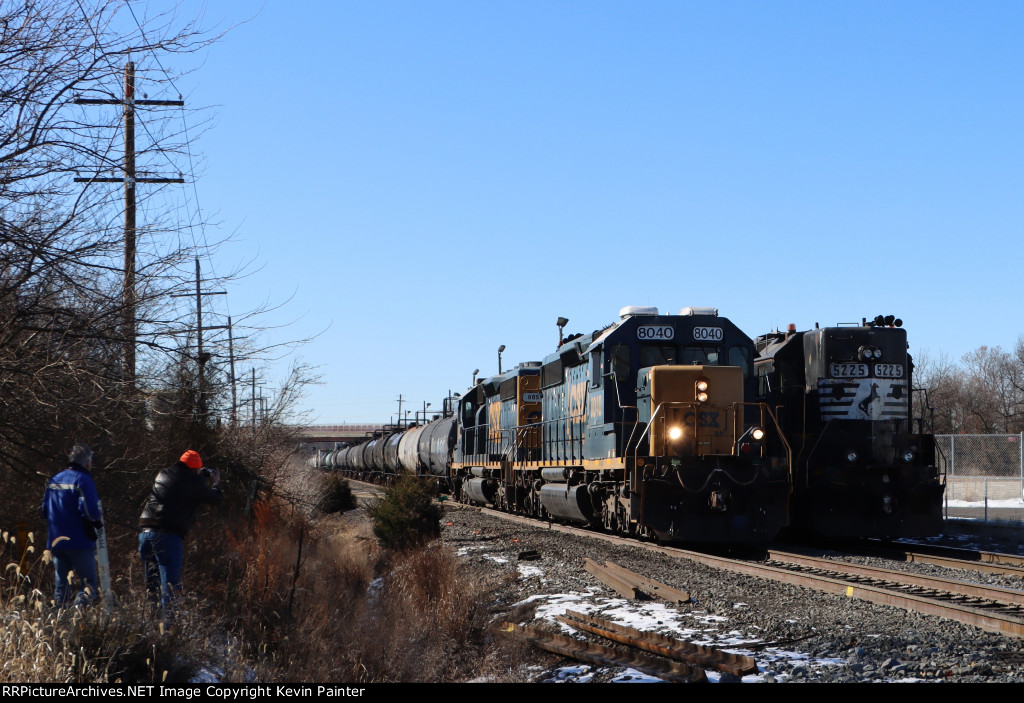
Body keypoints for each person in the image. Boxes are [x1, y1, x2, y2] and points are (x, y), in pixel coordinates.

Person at [138, 449, 222, 607]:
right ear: (195, 469)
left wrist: (200, 475)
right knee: (170, 589)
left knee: (151, 588)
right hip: (168, 537)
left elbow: (180, 484)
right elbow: (216, 499)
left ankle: (149, 625)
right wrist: (216, 483)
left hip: (145, 534)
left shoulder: (163, 473)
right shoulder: (194, 482)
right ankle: (169, 629)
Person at [41, 444, 102, 608]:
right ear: (87, 462)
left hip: (56, 541)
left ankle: (59, 624)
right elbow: (90, 511)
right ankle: (78, 619)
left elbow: (44, 510)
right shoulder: (83, 480)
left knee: (61, 587)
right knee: (88, 585)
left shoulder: (54, 480)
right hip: (79, 541)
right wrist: (96, 519)